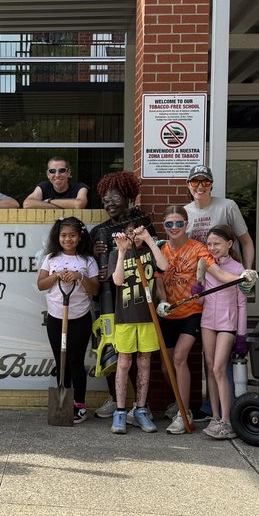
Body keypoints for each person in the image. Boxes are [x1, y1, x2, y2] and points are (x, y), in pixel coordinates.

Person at [90, 171, 153, 419]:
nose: (109, 203)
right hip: (107, 300)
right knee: (109, 348)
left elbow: (151, 257)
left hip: (134, 300)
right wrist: (95, 254)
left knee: (139, 354)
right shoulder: (98, 231)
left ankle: (139, 404)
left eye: (115, 197)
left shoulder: (141, 224)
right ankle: (115, 399)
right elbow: (88, 265)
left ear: (128, 197)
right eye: (105, 199)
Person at [157, 205, 214, 434]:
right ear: (164, 226)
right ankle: (179, 401)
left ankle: (184, 412)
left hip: (191, 312)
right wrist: (162, 301)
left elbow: (212, 271)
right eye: (169, 224)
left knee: (180, 358)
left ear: (186, 224)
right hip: (168, 313)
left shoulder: (197, 248)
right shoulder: (161, 250)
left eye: (179, 223)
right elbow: (159, 282)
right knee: (166, 367)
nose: (174, 227)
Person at [36, 217, 99, 423]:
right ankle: (64, 404)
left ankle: (79, 406)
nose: (68, 239)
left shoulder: (87, 261)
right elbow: (41, 284)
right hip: (56, 318)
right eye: (63, 235)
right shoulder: (51, 259)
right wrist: (56, 276)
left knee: (75, 362)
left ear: (80, 237)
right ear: (58, 237)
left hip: (80, 318)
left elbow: (95, 289)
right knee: (61, 362)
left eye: (72, 235)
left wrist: (79, 276)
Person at [109, 222, 165, 435]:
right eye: (131, 233)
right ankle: (120, 411)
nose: (136, 236)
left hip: (148, 317)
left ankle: (140, 409)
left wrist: (149, 240)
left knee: (144, 362)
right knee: (124, 362)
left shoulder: (150, 251)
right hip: (125, 317)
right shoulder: (116, 253)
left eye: (139, 232)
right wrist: (122, 252)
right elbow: (117, 280)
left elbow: (165, 266)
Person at [197, 226, 248, 440]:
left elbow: (242, 303)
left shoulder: (238, 268)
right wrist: (197, 291)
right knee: (210, 368)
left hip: (228, 324)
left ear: (229, 244)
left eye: (216, 243)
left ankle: (228, 422)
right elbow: (200, 299)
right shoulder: (207, 264)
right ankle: (215, 417)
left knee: (219, 368)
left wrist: (241, 335)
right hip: (208, 321)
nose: (212, 247)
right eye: (209, 244)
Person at [184, 164, 254, 268]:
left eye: (206, 182)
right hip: (198, 273)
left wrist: (247, 271)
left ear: (211, 185)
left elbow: (246, 242)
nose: (200, 186)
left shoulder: (228, 207)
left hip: (230, 272)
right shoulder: (184, 213)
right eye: (195, 182)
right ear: (188, 184)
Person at [23, 157, 90, 209]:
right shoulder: (44, 186)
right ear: (48, 175)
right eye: (52, 171)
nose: (57, 175)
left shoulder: (79, 187)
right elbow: (27, 204)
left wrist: (49, 201)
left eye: (62, 170)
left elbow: (79, 204)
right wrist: (65, 206)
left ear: (69, 173)